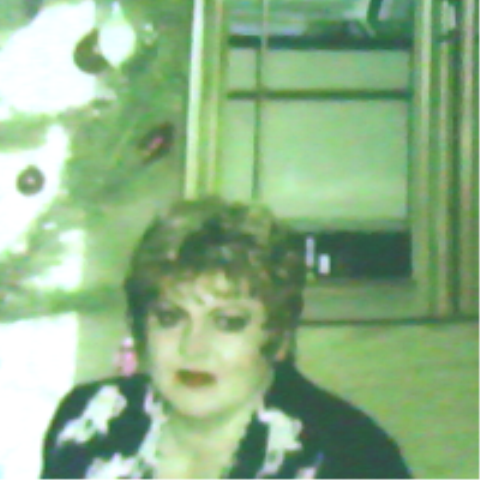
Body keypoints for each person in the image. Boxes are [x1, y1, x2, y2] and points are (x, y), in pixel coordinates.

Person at [40, 197, 412, 479]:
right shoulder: (90, 422)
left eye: (228, 322)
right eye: (170, 318)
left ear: (277, 335)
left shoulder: (352, 457)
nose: (194, 348)